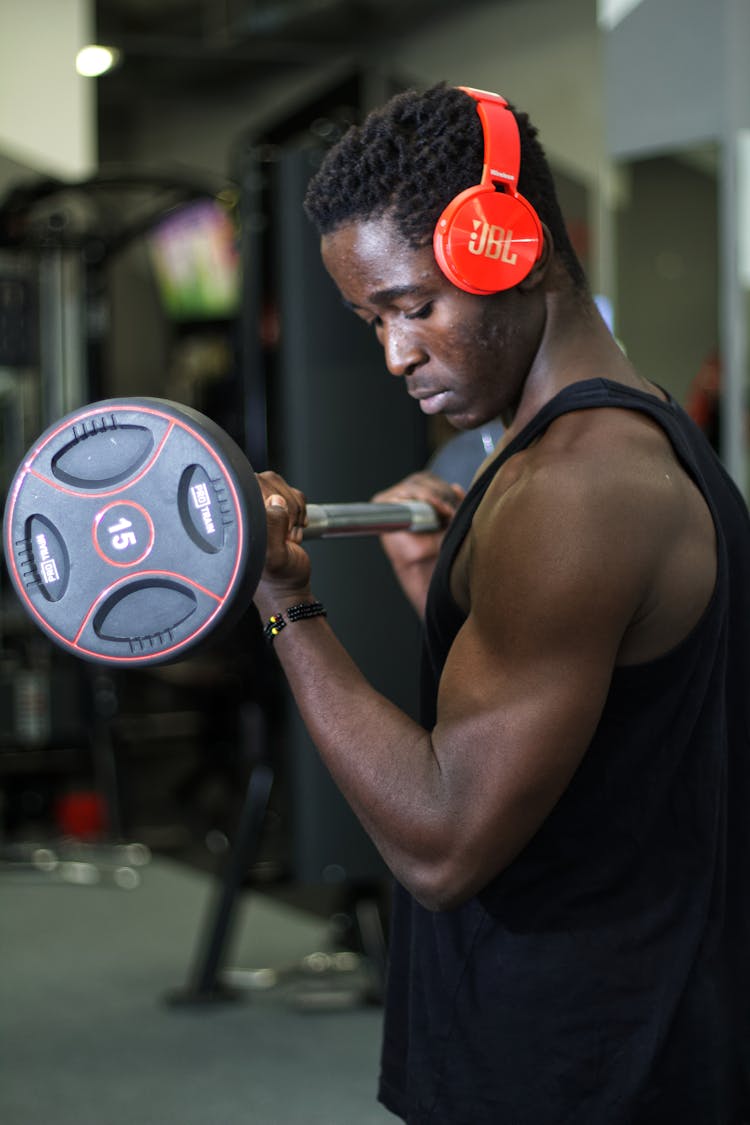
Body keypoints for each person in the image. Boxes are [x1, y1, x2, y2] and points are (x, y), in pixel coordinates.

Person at [251, 82, 750, 1124]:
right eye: (371, 319)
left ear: (509, 249)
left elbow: (442, 843)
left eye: (414, 305)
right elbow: (612, 718)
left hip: (575, 1062)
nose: (396, 354)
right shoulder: (630, 439)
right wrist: (445, 590)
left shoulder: (574, 491)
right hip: (624, 1029)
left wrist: (284, 599)